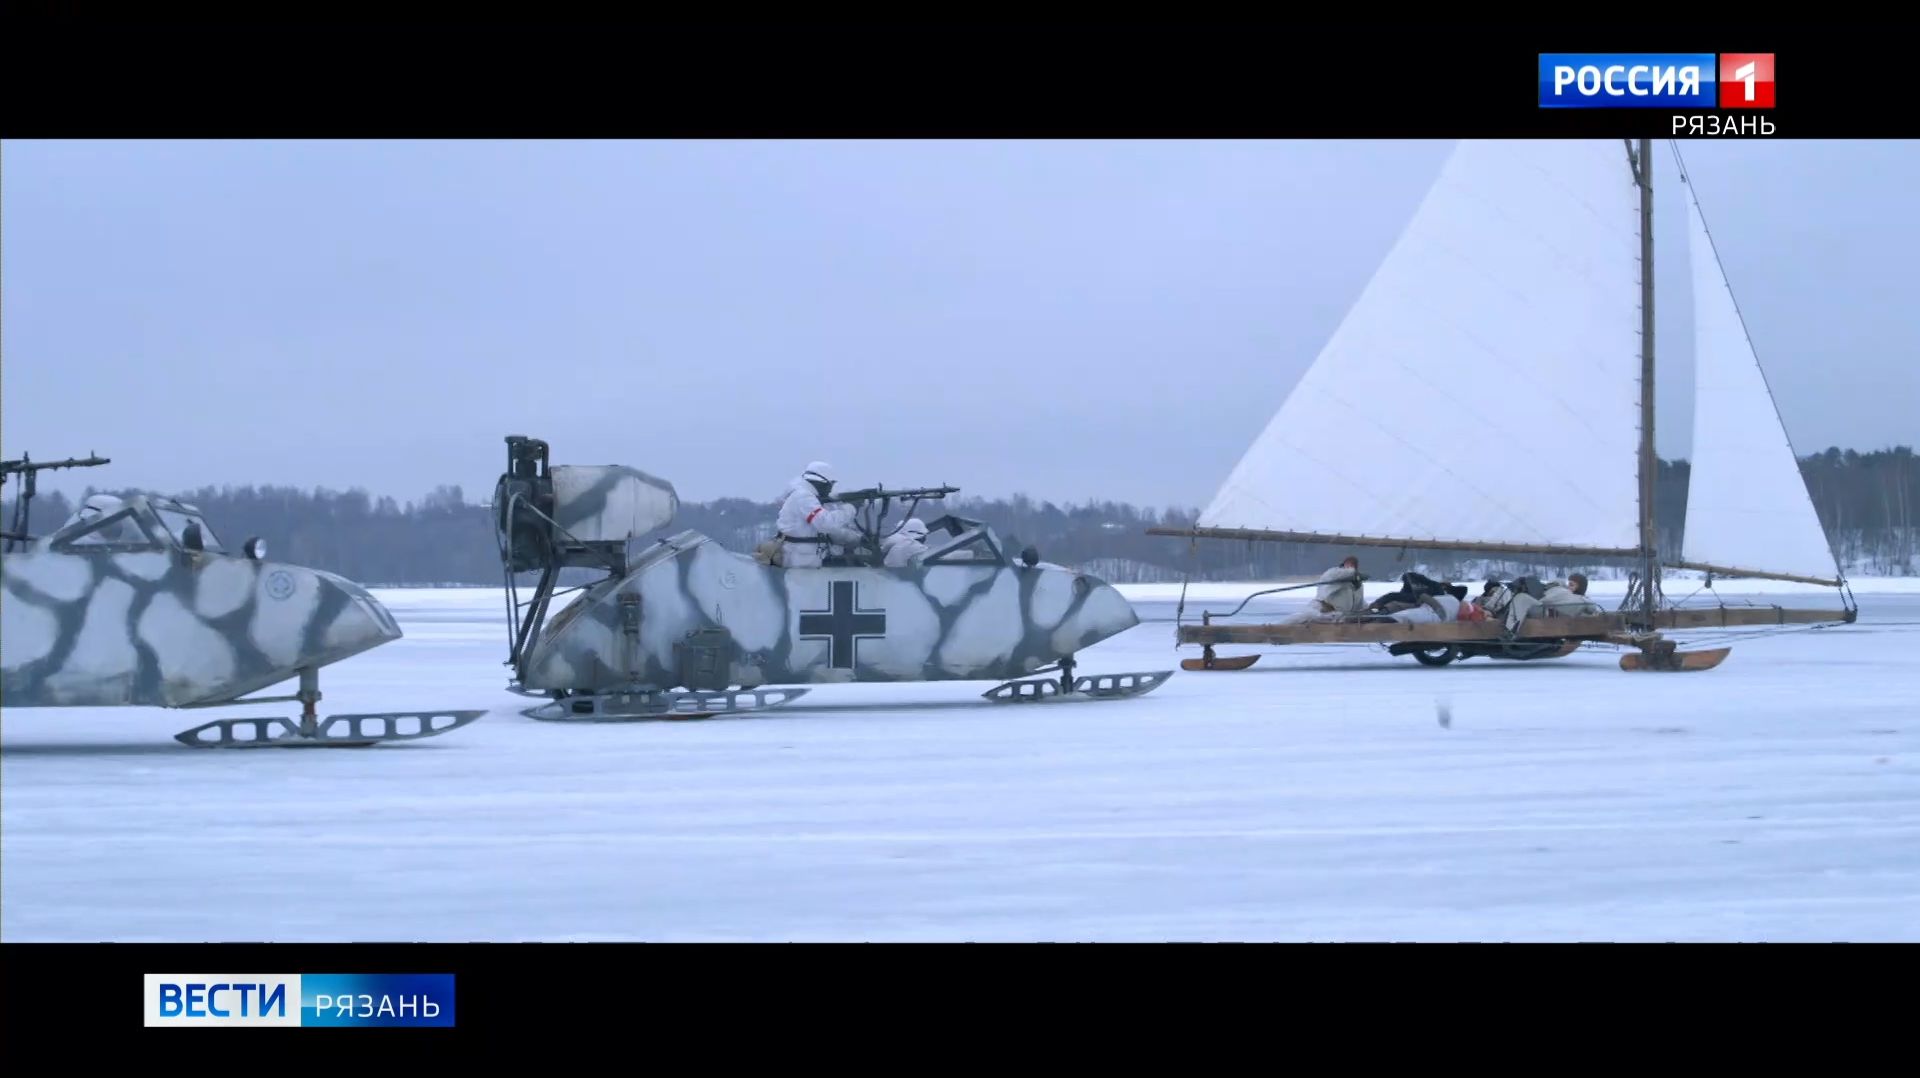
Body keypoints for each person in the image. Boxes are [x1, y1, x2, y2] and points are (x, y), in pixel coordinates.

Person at [774, 461, 863, 569]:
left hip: (803, 557)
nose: (831, 489)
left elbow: (831, 530)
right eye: (831, 484)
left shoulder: (805, 495)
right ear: (821, 482)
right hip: (800, 560)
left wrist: (854, 538)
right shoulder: (803, 497)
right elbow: (825, 524)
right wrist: (851, 509)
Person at [1282, 556, 1366, 624]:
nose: (1350, 567)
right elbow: (1343, 574)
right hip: (1322, 608)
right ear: (1344, 565)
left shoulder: (1357, 584)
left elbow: (1360, 604)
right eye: (1349, 565)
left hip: (1339, 616)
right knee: (1303, 617)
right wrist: (1353, 573)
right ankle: (1274, 629)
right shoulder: (1333, 573)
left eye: (1353, 566)